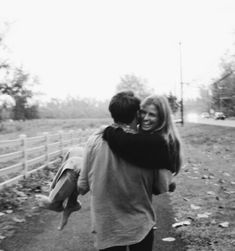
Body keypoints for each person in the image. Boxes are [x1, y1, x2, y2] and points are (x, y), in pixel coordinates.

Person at [77, 91, 171, 251]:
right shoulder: (149, 145)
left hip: (107, 227)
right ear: (137, 114)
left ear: (112, 113)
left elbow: (82, 186)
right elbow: (161, 187)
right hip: (140, 225)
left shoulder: (94, 141)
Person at [102, 94, 182, 195]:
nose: (145, 118)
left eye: (152, 115)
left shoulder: (160, 140)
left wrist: (109, 131)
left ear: (162, 118)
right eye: (143, 113)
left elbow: (124, 142)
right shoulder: (163, 135)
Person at [36, 146, 83, 230]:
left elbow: (59, 173)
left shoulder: (70, 156)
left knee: (55, 198)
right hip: (82, 172)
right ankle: (72, 205)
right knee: (73, 195)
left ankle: (55, 204)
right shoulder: (82, 153)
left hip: (72, 169)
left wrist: (52, 186)